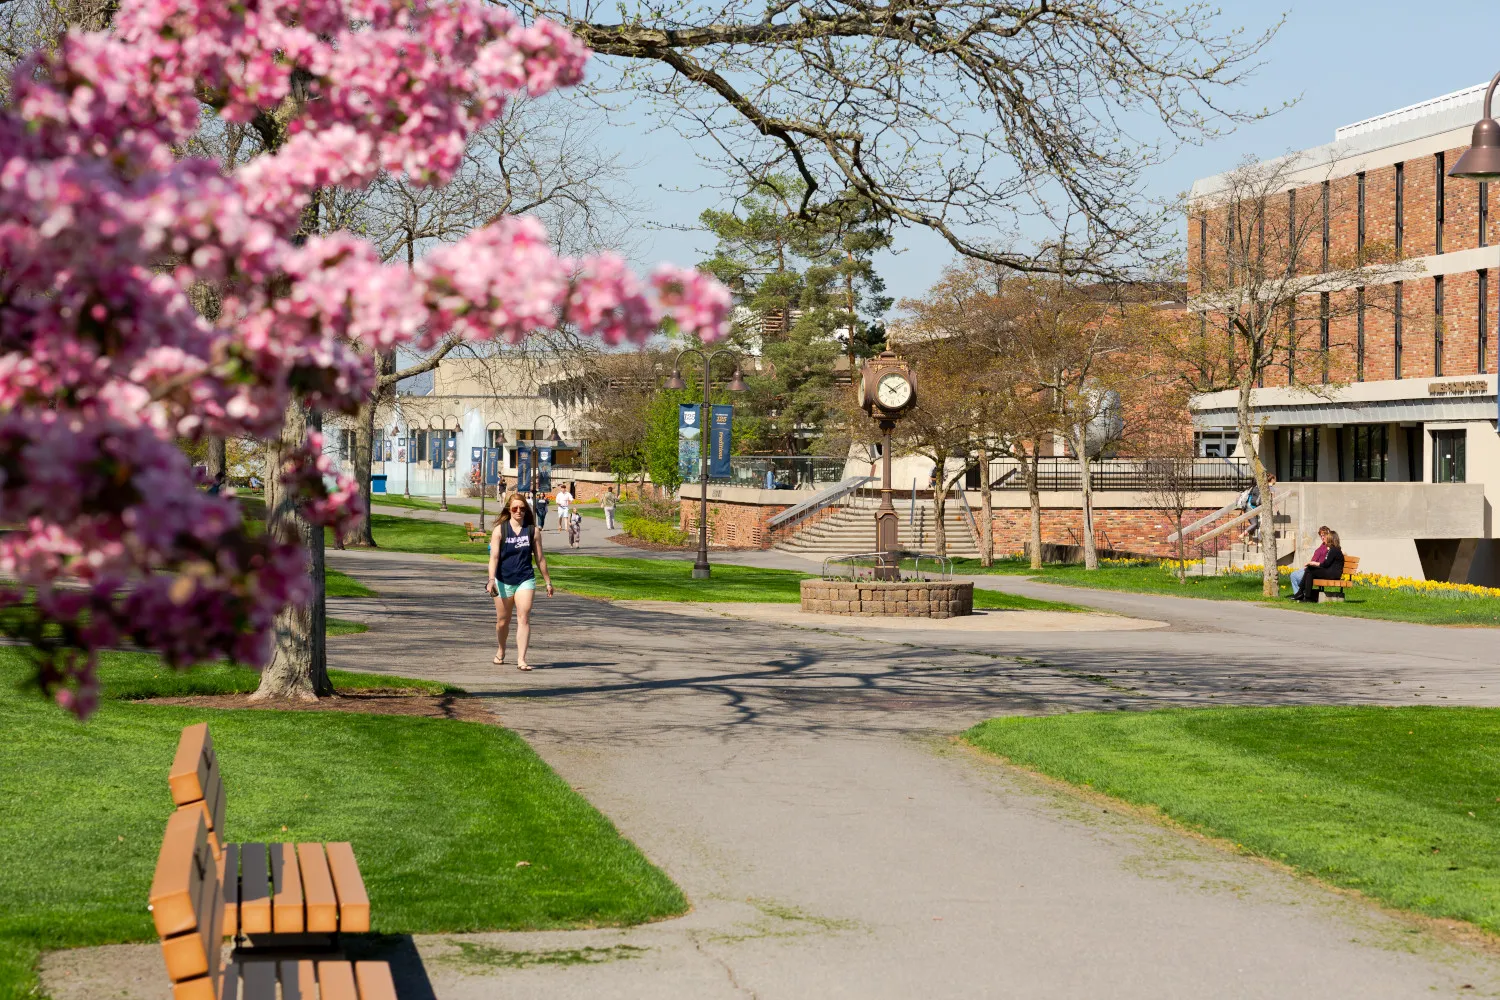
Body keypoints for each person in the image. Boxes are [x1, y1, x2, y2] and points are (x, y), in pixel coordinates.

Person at [486, 492, 554, 670]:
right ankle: (501, 650)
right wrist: (491, 580)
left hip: (525, 578)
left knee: (523, 618)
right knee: (503, 621)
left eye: (522, 508)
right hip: (503, 580)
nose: (519, 511)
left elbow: (540, 559)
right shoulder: (500, 530)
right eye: (515, 508)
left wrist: (547, 581)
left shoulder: (533, 531)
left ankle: (522, 659)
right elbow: (493, 557)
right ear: (509, 509)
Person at [1293, 528, 1345, 602]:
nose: (1325, 539)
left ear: (1331, 540)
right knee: (1310, 569)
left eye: (1328, 538)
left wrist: (1314, 563)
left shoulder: (1333, 550)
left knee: (1310, 569)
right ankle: (1305, 595)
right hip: (1331, 572)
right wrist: (1313, 564)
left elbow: (1325, 564)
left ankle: (1302, 593)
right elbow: (1326, 564)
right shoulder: (1333, 549)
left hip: (1333, 574)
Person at [1289, 526, 1331, 595]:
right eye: (1321, 536)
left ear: (1328, 535)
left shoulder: (1330, 546)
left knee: (1296, 577)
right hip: (1311, 567)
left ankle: (1301, 594)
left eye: (1324, 535)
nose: (1322, 537)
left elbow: (1339, 553)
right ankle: (1300, 594)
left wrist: (1313, 565)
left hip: (1316, 570)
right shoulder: (1322, 545)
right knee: (1293, 575)